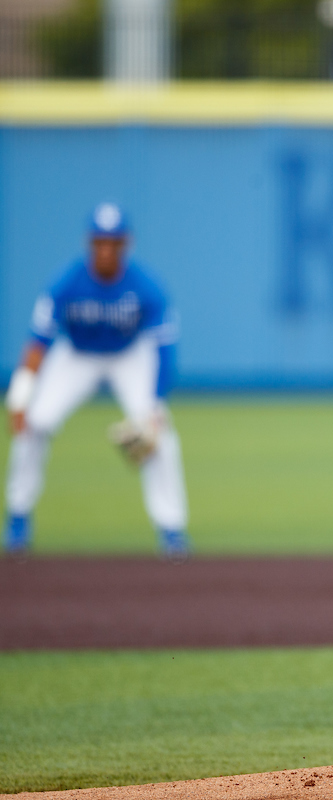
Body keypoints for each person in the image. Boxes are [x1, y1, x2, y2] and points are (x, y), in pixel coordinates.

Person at [4, 203, 190, 561]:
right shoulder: (66, 283)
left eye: (113, 242)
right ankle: (17, 517)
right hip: (76, 354)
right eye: (100, 242)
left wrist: (154, 404)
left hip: (128, 354)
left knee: (158, 434)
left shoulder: (146, 287)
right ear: (89, 244)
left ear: (126, 244)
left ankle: (172, 530)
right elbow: (37, 342)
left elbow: (165, 351)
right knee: (34, 423)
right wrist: (20, 397)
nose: (106, 250)